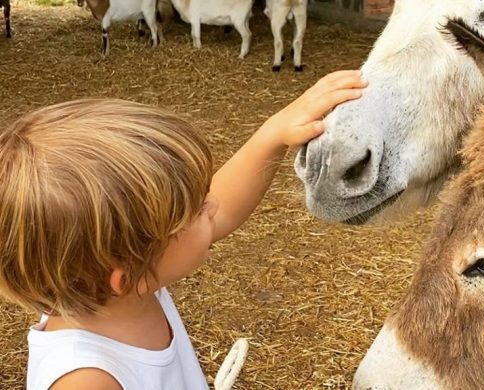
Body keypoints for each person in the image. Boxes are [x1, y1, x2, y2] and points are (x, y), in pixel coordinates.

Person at [0, 70, 367, 390]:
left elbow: (220, 210)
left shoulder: (127, 286)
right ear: (127, 275)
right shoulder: (86, 378)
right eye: (191, 211)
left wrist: (273, 134)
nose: (211, 204)